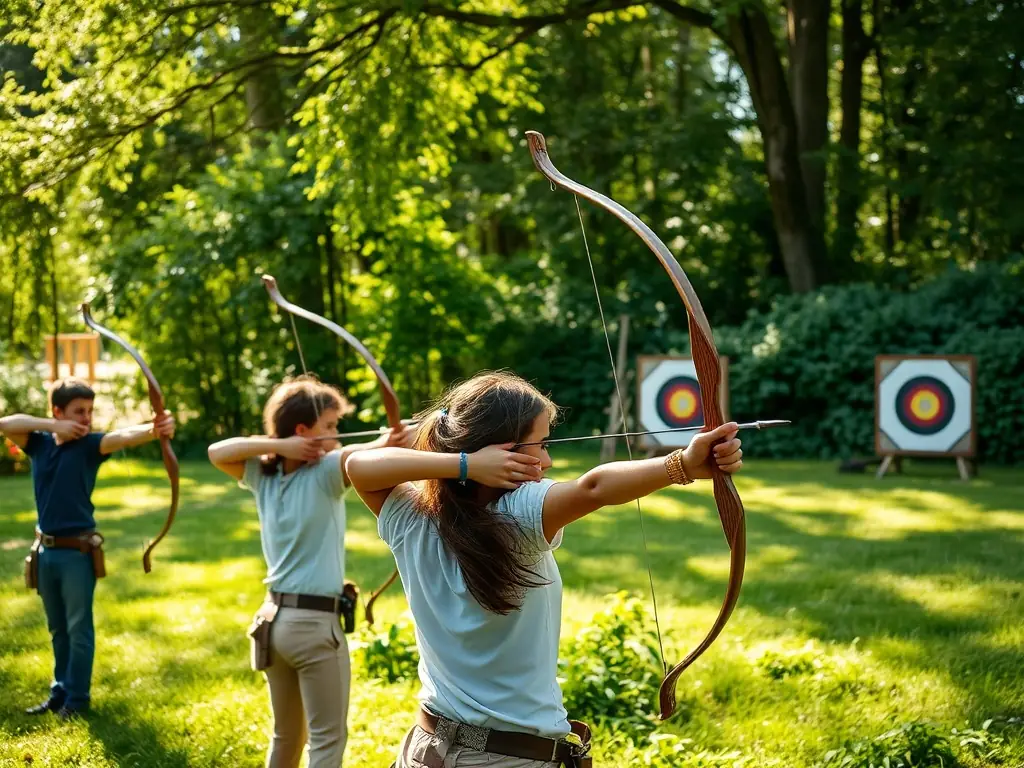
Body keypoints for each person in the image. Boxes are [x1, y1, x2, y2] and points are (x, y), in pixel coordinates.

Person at [345, 370, 745, 768]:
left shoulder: (412, 518)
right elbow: (594, 487)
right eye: (541, 444)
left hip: (428, 749)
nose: (549, 460)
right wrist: (683, 464)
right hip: (511, 759)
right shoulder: (519, 513)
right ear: (505, 452)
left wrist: (463, 464)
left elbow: (360, 466)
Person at [207, 374, 415, 768]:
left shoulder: (262, 477)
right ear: (303, 432)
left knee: (286, 737)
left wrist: (280, 446)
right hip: (313, 628)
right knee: (326, 741)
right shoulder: (324, 471)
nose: (336, 437)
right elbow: (217, 449)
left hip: (273, 623)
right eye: (331, 427)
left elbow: (220, 452)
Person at [0, 377, 176, 720]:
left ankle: (77, 699)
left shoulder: (90, 446)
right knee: (57, 628)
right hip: (46, 551)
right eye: (78, 412)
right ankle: (60, 690)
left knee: (79, 628)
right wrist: (53, 427)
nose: (87, 418)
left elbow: (122, 436)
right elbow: (5, 424)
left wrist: (156, 429)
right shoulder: (38, 444)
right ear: (57, 412)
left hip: (77, 553)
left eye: (90, 411)